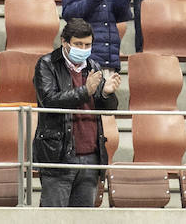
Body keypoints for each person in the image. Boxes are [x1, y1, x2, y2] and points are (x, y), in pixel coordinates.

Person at [32, 17, 121, 206]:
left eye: (87, 44)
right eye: (78, 44)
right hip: (59, 156)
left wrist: (106, 94)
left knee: (83, 218)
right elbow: (49, 101)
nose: (83, 49)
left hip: (91, 156)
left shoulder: (93, 66)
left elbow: (107, 109)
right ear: (64, 42)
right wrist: (85, 91)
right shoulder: (47, 64)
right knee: (53, 219)